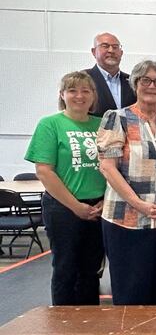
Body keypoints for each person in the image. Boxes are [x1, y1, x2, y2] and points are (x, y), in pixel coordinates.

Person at [97, 60, 156, 305]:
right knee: (131, 292)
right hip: (126, 220)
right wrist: (138, 204)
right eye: (146, 80)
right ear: (135, 84)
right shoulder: (116, 119)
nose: (152, 86)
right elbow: (108, 167)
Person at [24, 71, 105, 305]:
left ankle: (89, 323)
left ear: (93, 96)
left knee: (91, 271)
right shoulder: (50, 124)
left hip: (98, 207)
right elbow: (44, 171)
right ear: (62, 95)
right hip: (63, 208)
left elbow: (113, 166)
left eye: (85, 91)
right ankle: (63, 324)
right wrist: (76, 206)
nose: (79, 96)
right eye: (72, 90)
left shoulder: (102, 125)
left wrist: (105, 200)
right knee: (65, 269)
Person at [84, 32, 135, 117]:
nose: (111, 50)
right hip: (93, 129)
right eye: (105, 46)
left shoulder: (132, 81)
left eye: (115, 47)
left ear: (121, 53)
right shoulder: (83, 79)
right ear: (94, 52)